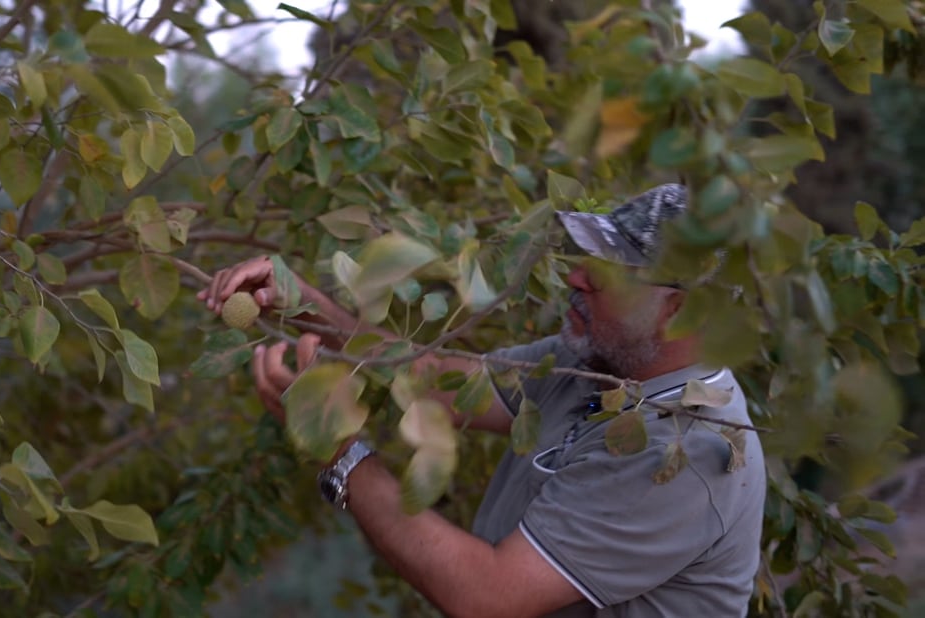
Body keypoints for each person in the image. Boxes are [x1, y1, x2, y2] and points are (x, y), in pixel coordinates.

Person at [198, 184, 766, 618]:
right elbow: (435, 381)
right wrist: (301, 304)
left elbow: (485, 595)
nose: (576, 276)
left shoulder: (684, 449)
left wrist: (339, 453)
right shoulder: (600, 364)